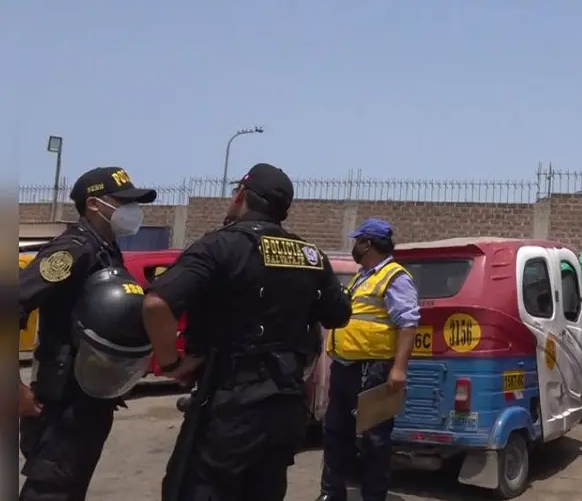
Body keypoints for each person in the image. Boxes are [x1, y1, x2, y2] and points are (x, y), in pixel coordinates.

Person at [141, 163, 352, 501]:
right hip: (286, 405)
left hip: (231, 403)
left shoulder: (219, 246)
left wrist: (169, 365)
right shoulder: (311, 255)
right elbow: (338, 315)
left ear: (241, 196)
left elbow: (157, 305)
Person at [18, 166, 157, 501]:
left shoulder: (107, 250)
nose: (132, 211)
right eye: (122, 202)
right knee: (50, 491)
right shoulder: (73, 250)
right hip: (63, 402)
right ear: (94, 205)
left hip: (90, 398)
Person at [318, 218, 420, 501]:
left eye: (358, 241)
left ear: (370, 244)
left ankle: (374, 496)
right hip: (346, 367)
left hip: (374, 369)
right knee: (335, 432)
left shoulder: (394, 276)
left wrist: (398, 369)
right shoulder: (361, 276)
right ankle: (331, 494)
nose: (355, 247)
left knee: (375, 439)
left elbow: (408, 324)